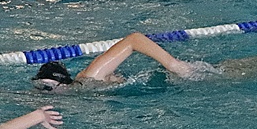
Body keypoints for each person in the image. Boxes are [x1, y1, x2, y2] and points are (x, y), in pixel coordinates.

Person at [30, 33, 211, 91]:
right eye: (39, 87)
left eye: (46, 87)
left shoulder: (90, 76)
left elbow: (134, 39)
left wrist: (174, 65)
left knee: (222, 74)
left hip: (186, 75)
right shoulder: (79, 92)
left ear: (62, 83)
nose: (43, 93)